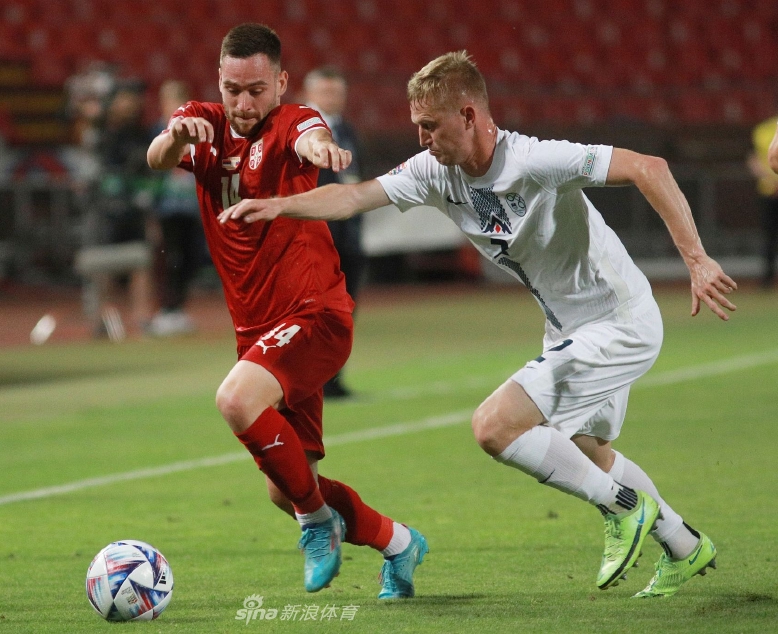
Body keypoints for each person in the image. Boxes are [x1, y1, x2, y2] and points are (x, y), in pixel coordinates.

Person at [222, 50, 738, 598]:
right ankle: (684, 544)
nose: (422, 139)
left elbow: (649, 167)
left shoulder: (535, 160)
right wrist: (280, 205)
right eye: (416, 125)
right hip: (566, 327)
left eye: (430, 125)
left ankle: (623, 508)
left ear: (469, 116)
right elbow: (353, 196)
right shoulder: (435, 171)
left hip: (617, 321)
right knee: (587, 449)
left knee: (494, 426)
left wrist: (697, 260)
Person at [147, 23, 427, 597]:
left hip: (314, 314)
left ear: (280, 83)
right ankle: (399, 543)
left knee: (235, 400)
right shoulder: (202, 123)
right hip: (258, 330)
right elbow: (157, 157)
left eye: (257, 90)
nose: (244, 103)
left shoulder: (293, 121)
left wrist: (319, 151)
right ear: (219, 81)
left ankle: (317, 524)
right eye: (233, 89)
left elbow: (311, 139)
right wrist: (175, 136)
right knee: (287, 487)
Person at [303, 67, 365, 398]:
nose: (333, 98)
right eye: (326, 92)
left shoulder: (346, 130)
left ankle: (333, 379)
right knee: (316, 310)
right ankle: (309, 382)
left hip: (348, 235)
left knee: (344, 310)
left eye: (338, 92)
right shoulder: (301, 132)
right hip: (316, 236)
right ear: (309, 94)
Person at [88, 79, 156, 334]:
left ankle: (142, 318)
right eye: (126, 97)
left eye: (134, 98)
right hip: (105, 210)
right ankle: (102, 320)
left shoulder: (142, 133)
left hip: (135, 207)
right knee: (103, 265)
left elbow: (150, 169)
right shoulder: (103, 131)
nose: (131, 103)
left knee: (141, 262)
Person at [146, 80, 203, 337]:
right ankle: (165, 309)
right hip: (166, 208)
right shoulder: (156, 131)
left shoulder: (198, 131)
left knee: (191, 258)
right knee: (168, 258)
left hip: (191, 207)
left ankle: (178, 308)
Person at [748, 114, 778, 288]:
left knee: (769, 238)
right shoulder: (762, 130)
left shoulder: (762, 130)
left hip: (768, 188)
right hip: (768, 191)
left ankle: (767, 280)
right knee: (769, 237)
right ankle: (767, 277)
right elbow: (753, 159)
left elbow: (753, 160)